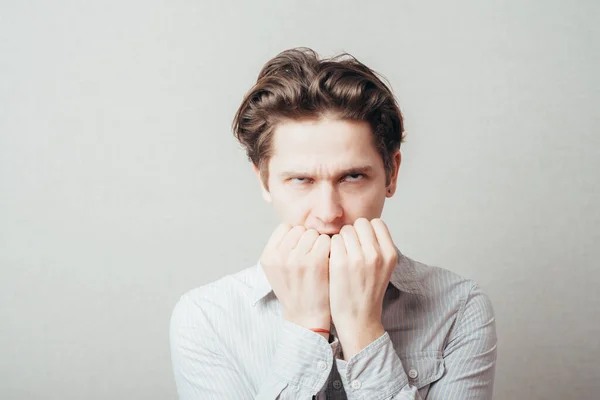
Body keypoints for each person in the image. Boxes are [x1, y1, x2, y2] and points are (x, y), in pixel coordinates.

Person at [169, 47, 497, 399]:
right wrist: (304, 330)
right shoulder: (206, 318)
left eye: (352, 176)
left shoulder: (458, 307)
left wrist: (363, 329)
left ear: (391, 173)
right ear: (265, 182)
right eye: (301, 180)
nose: (328, 213)